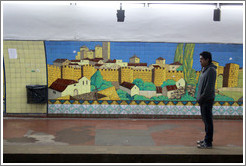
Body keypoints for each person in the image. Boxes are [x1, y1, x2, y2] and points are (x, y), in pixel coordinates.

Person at [196, 51, 217, 149]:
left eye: (201, 59)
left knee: (208, 121)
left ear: (207, 59)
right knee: (205, 121)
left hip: (207, 100)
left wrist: (201, 98)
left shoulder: (211, 70)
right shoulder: (204, 69)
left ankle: (208, 142)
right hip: (203, 100)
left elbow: (208, 88)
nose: (200, 61)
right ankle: (206, 139)